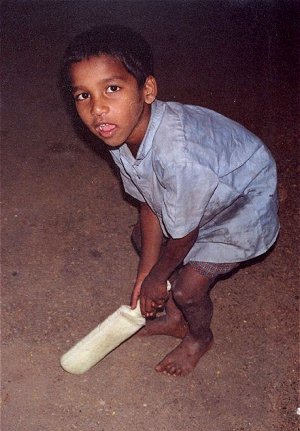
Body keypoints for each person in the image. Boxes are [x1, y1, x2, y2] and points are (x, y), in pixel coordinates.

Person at [61, 25, 280, 377]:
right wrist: (146, 275)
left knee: (187, 287)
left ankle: (199, 337)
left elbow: (183, 235)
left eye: (111, 89)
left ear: (147, 90)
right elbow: (149, 204)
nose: (98, 108)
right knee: (143, 241)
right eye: (83, 95)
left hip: (242, 201)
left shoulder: (178, 156)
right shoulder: (120, 131)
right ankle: (176, 320)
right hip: (204, 192)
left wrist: (157, 278)